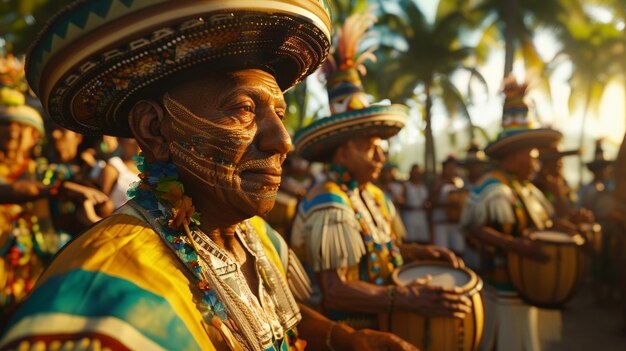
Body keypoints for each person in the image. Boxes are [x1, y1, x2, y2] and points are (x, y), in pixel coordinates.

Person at [0, 2, 415, 350]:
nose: (282, 141)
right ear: (154, 129)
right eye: (243, 109)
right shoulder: (104, 291)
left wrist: (348, 338)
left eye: (280, 114)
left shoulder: (257, 236)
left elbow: (273, 314)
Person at [291, 12, 469, 332]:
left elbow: (383, 250)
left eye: (380, 145)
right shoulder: (328, 204)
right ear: (342, 152)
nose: (380, 153)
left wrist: (418, 251)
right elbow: (334, 292)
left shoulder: (373, 196)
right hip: (353, 337)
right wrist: (406, 298)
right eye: (368, 145)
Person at [460, 76, 587, 351]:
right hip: (504, 287)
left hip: (524, 286)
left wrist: (565, 226)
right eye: (532, 154)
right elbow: (475, 229)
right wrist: (518, 247)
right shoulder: (492, 186)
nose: (536, 162)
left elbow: (544, 223)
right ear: (515, 155)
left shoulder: (525, 187)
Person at [0, 54, 109, 322]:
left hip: (33, 273)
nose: (13, 133)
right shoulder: (44, 179)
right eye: (5, 127)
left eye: (20, 128)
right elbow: (14, 190)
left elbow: (99, 200)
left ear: (34, 138)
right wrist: (59, 188)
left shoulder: (44, 170)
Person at [430, 155, 466, 255]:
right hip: (441, 222)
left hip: (456, 223)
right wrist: (447, 205)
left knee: (458, 250)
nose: (451, 170)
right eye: (449, 168)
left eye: (453, 167)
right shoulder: (438, 182)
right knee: (442, 252)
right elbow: (431, 202)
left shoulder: (459, 182)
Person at [400, 164, 430, 244]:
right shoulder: (406, 186)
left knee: (422, 241)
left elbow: (427, 201)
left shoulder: (423, 186)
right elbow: (401, 201)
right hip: (410, 216)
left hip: (421, 217)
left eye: (418, 173)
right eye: (415, 173)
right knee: (410, 240)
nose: (417, 175)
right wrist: (407, 206)